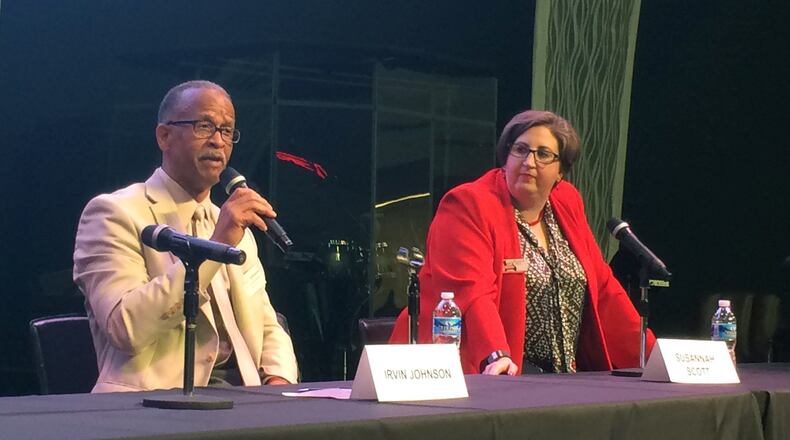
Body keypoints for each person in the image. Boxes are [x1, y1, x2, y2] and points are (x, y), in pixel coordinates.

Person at [390, 110, 655, 375]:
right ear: (506, 157)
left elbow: (603, 288)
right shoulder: (469, 204)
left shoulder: (567, 202)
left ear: (561, 170)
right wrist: (496, 355)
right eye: (520, 149)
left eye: (543, 154)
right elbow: (473, 293)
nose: (529, 161)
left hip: (558, 378)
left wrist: (656, 358)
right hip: (472, 370)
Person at [73, 80, 298, 392]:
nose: (219, 141)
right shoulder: (114, 213)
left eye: (227, 130)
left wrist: (278, 380)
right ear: (164, 136)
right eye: (204, 126)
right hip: (152, 406)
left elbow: (267, 323)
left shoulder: (230, 224)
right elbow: (125, 328)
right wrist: (218, 245)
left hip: (244, 402)